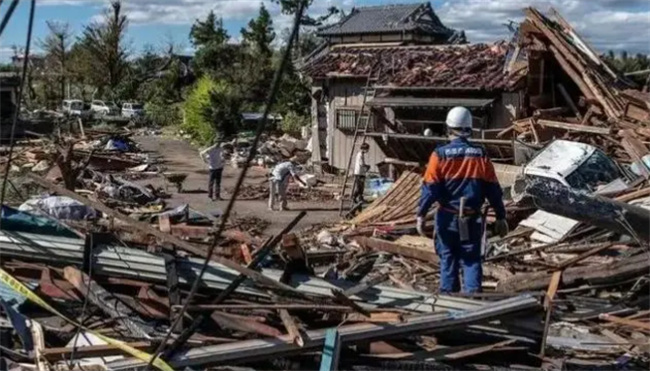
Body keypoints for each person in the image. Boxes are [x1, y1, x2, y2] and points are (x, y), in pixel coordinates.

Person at [416, 106, 508, 294]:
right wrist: (501, 216)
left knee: (448, 258)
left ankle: (448, 301)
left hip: (447, 218)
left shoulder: (439, 154)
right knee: (472, 260)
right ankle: (472, 303)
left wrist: (421, 213)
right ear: (469, 128)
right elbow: (493, 188)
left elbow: (430, 188)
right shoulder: (480, 154)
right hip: (472, 218)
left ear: (449, 128)